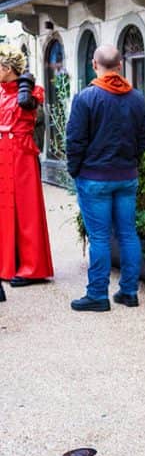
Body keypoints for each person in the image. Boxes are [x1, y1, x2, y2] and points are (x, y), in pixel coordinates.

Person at [66, 44, 145, 311]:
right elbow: (144, 137)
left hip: (94, 177)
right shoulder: (136, 98)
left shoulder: (86, 98)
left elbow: (74, 141)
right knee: (127, 234)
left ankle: (98, 295)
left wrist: (75, 170)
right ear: (120, 65)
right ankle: (129, 292)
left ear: (94, 65)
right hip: (126, 176)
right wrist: (132, 161)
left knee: (100, 238)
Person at [0, 44, 54, 286]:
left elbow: (32, 108)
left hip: (21, 156)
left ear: (8, 68)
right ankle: (7, 264)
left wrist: (26, 87)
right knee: (4, 210)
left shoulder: (31, 92)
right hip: (4, 154)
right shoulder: (1, 92)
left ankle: (32, 267)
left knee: (26, 210)